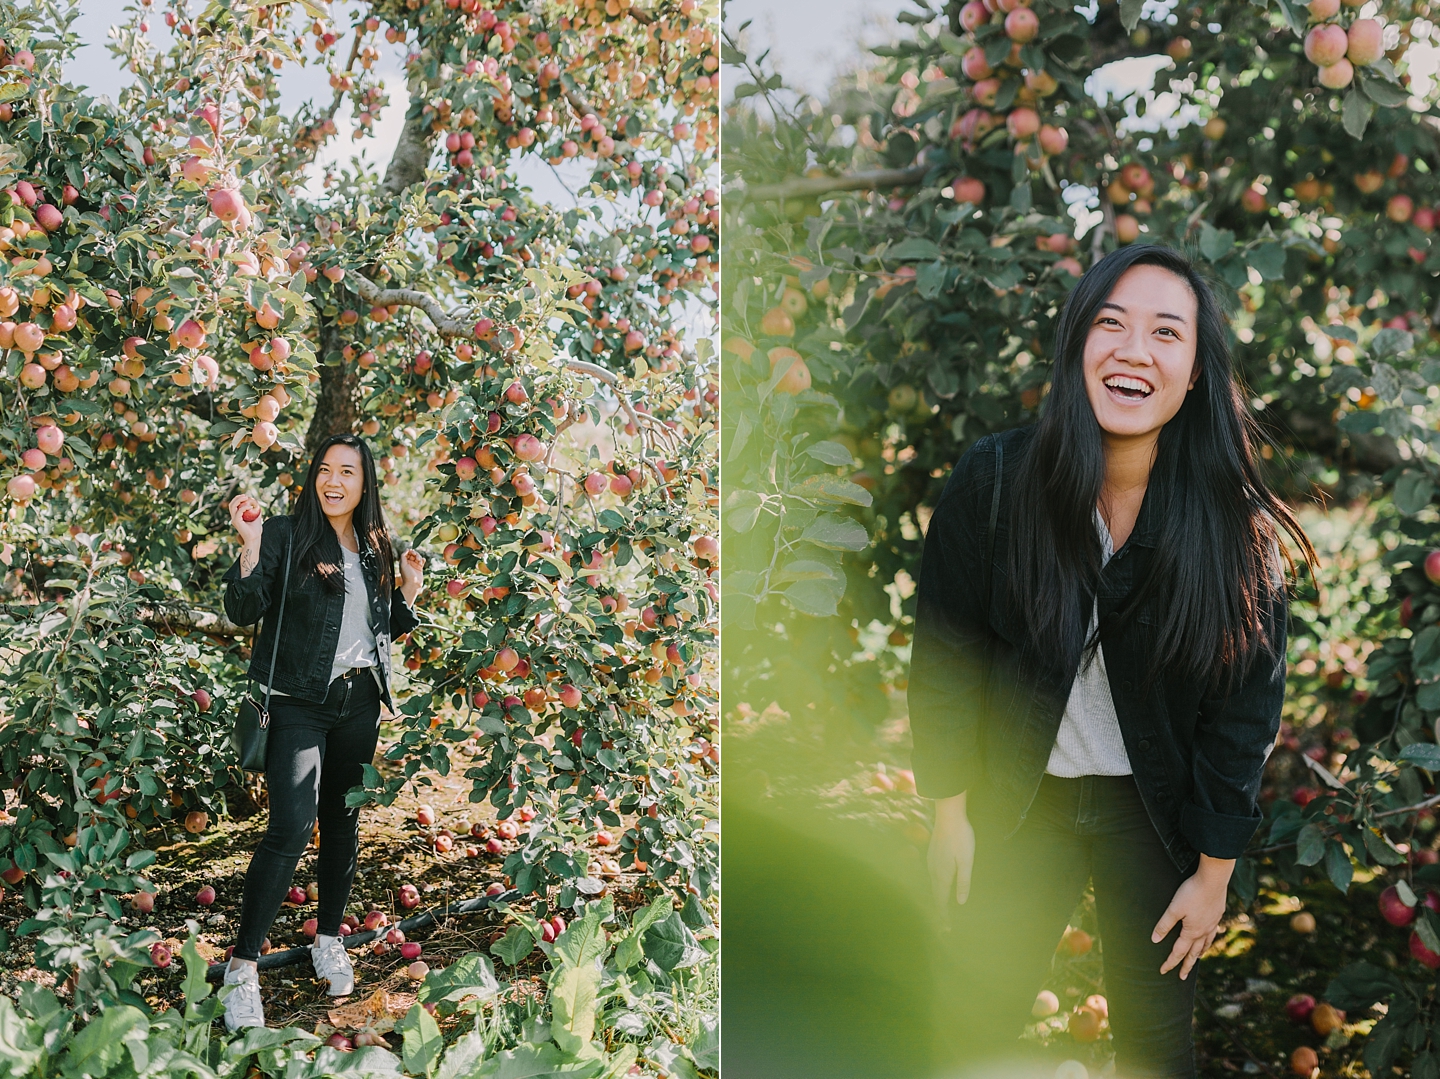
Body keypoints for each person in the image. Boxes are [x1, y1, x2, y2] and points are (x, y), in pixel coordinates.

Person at [908, 244, 1315, 1078]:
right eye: (1111, 323)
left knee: (1157, 1046)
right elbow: (947, 654)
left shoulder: (1232, 529)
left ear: (1195, 371)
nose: (1135, 350)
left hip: (1151, 807)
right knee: (969, 1018)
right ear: (1077, 347)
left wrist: (1212, 873)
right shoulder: (994, 483)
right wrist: (949, 813)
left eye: (1167, 333)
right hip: (1021, 796)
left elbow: (1244, 712)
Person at [216, 433, 425, 1032]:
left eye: (348, 472)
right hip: (297, 704)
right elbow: (242, 608)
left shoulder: (377, 545)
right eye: (326, 470)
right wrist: (251, 546)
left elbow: (379, 630)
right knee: (290, 824)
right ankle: (242, 966)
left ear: (366, 483)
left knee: (342, 820)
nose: (334, 481)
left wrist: (407, 592)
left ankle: (327, 937)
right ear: (314, 475)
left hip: (359, 702)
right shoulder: (284, 533)